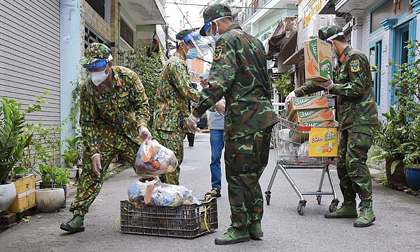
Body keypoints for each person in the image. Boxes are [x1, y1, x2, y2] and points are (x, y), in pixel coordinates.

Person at [187, 4, 279, 245]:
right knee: (252, 173)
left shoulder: (226, 41)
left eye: (210, 29)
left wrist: (196, 112)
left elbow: (219, 82)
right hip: (263, 116)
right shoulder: (255, 41)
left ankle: (239, 226)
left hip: (244, 120)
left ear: (215, 23)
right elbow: (265, 82)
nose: (212, 34)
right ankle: (254, 223)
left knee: (237, 174)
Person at [285, 25, 378, 228]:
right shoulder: (340, 63)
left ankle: (367, 208)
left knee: (355, 162)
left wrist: (332, 87)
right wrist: (297, 92)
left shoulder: (355, 58)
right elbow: (321, 82)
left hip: (362, 120)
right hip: (347, 121)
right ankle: (349, 205)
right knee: (342, 163)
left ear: (330, 43)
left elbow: (358, 88)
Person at [60, 43, 152, 233]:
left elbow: (142, 105)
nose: (93, 73)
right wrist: (94, 151)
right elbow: (88, 121)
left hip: (131, 133)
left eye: (96, 68)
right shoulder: (88, 89)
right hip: (105, 135)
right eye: (89, 69)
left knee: (150, 169)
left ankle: (158, 210)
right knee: (91, 171)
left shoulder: (128, 78)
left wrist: (142, 125)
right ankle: (78, 216)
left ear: (109, 65)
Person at [153, 29, 205, 185]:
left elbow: (180, 97)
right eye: (191, 45)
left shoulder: (179, 64)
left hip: (172, 123)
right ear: (182, 45)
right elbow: (187, 91)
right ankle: (172, 201)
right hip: (169, 125)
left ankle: (166, 199)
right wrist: (213, 101)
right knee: (171, 166)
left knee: (168, 165)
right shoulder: (176, 64)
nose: (194, 49)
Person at [199, 71, 225, 198]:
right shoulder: (212, 84)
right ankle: (216, 187)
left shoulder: (232, 81)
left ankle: (236, 188)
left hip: (233, 126)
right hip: (216, 127)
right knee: (215, 157)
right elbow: (206, 104)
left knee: (234, 159)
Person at [186, 83, 199, 148]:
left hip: (190, 114)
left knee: (190, 130)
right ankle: (190, 144)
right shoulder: (190, 92)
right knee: (189, 130)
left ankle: (191, 144)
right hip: (187, 114)